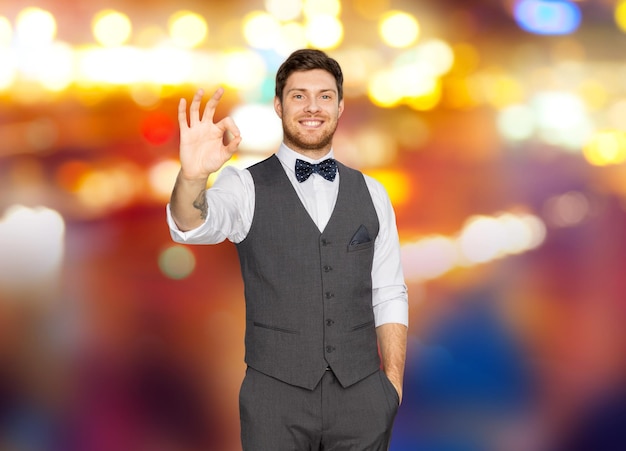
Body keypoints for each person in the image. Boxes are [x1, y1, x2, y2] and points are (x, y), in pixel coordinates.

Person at [167, 48, 408, 451]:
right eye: (298, 95)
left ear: (340, 106)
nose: (312, 107)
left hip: (363, 396)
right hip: (274, 399)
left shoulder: (373, 192)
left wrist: (392, 388)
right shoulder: (242, 186)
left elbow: (389, 292)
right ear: (278, 105)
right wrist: (193, 176)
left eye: (324, 96)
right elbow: (191, 226)